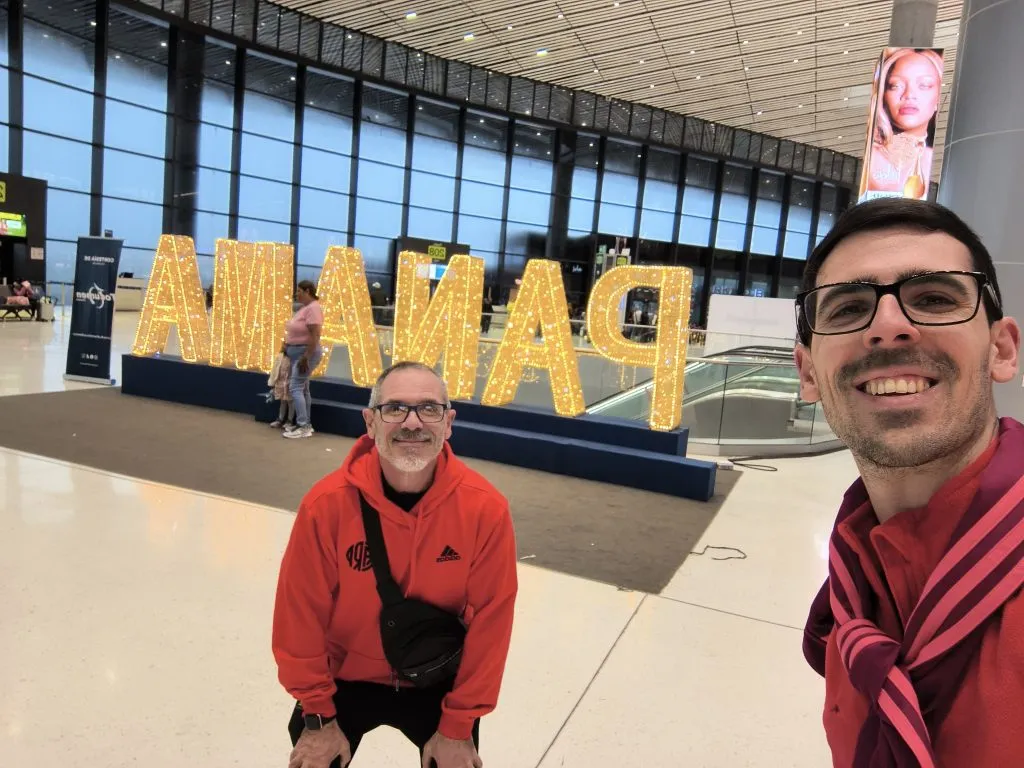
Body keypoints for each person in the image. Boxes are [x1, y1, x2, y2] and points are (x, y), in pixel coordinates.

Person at [794, 198, 1023, 767]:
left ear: (1001, 349)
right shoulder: (854, 588)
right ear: (807, 373)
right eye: (848, 310)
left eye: (935, 299)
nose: (889, 327)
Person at [272, 361, 518, 768]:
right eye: (395, 409)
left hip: (436, 676)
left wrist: (458, 725)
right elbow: (299, 616)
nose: (412, 422)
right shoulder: (326, 505)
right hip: (342, 678)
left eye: (429, 409)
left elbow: (493, 622)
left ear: (449, 422)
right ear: (370, 422)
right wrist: (316, 713)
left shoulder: (484, 510)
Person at [865, 49, 942, 200]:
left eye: (925, 85)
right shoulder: (874, 159)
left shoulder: (933, 161)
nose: (909, 95)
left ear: (938, 98)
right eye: (895, 85)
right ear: (883, 96)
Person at [281, 280, 324, 440]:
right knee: (303, 388)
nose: (296, 294)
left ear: (308, 291)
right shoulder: (305, 309)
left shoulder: (313, 308)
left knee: (295, 387)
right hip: (296, 352)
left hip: (304, 353)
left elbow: (315, 335)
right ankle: (305, 424)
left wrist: (306, 356)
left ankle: (303, 425)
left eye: (299, 291)